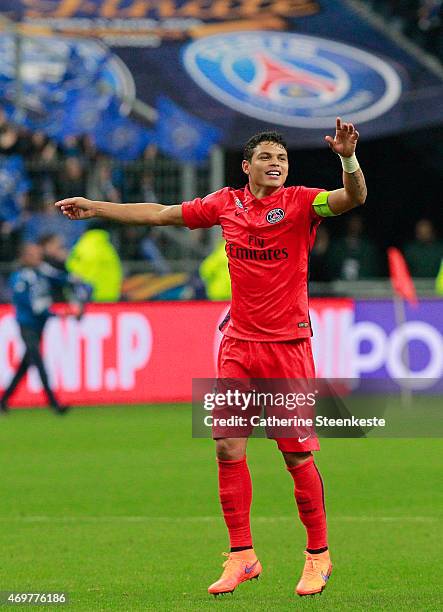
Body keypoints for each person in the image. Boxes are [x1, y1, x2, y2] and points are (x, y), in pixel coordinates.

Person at [55, 117, 367, 597]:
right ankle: (242, 555)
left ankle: (318, 555)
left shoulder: (305, 202)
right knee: (226, 446)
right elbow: (160, 213)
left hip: (287, 346)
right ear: (247, 166)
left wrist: (347, 158)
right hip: (238, 345)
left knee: (295, 453)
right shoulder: (226, 203)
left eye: (281, 158)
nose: (275, 164)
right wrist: (95, 206)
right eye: (266, 157)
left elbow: (353, 199)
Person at [0, 243, 70, 415]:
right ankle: (54, 403)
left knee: (26, 363)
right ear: (24, 257)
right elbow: (26, 302)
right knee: (37, 360)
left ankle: (3, 401)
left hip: (39, 325)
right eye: (33, 255)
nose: (37, 257)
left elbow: (60, 279)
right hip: (27, 325)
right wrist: (52, 314)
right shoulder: (21, 277)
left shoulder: (42, 272)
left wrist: (75, 280)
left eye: (38, 254)